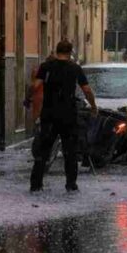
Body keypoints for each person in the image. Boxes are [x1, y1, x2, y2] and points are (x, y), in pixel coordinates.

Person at [30, 40, 98, 192]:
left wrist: (28, 99)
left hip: (49, 115)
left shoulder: (46, 67)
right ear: (70, 52)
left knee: (43, 150)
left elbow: (35, 86)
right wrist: (93, 106)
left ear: (56, 50)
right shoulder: (75, 68)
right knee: (70, 151)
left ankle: (36, 184)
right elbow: (87, 90)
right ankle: (71, 184)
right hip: (68, 115)